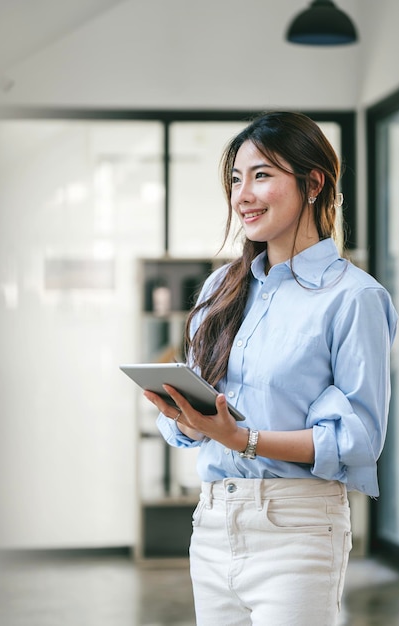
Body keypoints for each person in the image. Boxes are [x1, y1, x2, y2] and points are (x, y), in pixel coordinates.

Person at [143, 111, 398, 626]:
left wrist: (243, 439)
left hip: (297, 529)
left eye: (261, 175)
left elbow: (359, 439)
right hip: (213, 522)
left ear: (313, 183)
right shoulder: (221, 289)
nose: (242, 195)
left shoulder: (355, 297)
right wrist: (183, 414)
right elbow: (196, 419)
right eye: (236, 179)